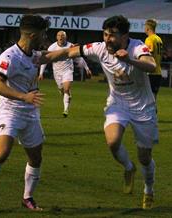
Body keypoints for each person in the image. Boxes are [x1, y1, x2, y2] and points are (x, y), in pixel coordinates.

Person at [38, 15, 158, 209]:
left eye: (112, 35)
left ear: (125, 35)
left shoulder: (137, 47)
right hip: (118, 103)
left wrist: (130, 60)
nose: (107, 39)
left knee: (145, 156)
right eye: (105, 34)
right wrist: (37, 58)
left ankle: (149, 189)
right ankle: (129, 167)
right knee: (112, 141)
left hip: (143, 107)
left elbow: (151, 65)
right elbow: (68, 52)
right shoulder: (99, 48)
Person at [0, 14, 48, 212]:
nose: (45, 37)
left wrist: (85, 49)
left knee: (36, 158)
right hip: (10, 111)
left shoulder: (35, 55)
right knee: (2, 152)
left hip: (30, 114)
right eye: (43, 34)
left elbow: (60, 54)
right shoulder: (9, 56)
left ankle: (27, 197)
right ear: (32, 35)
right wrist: (24, 97)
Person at [38, 31, 91, 117]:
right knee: (62, 90)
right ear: (56, 37)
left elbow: (79, 58)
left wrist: (87, 68)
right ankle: (66, 96)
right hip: (57, 72)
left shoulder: (71, 46)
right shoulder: (52, 47)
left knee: (66, 89)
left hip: (68, 70)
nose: (60, 37)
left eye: (62, 35)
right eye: (59, 35)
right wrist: (41, 73)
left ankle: (65, 110)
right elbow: (45, 60)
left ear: (66, 37)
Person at [144, 19, 163, 102]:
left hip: (150, 72)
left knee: (147, 96)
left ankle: (148, 113)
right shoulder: (159, 39)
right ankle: (153, 113)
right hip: (158, 71)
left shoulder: (149, 39)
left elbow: (149, 52)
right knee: (154, 96)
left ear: (148, 28)